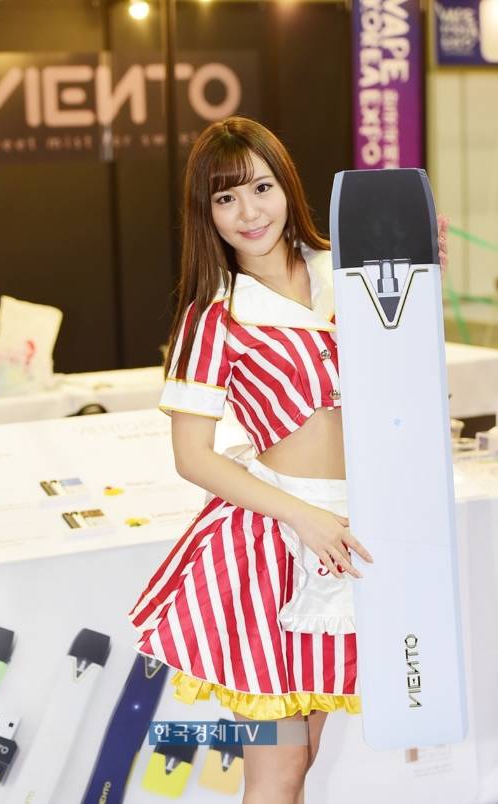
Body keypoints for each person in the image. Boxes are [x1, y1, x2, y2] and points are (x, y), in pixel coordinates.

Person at [127, 116, 449, 804]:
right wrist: (304, 517)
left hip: (354, 534)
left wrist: (421, 281)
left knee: (302, 760)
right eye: (225, 198)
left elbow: (405, 380)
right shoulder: (214, 316)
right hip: (272, 549)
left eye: (261, 188)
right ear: (206, 213)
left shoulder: (350, 274)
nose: (249, 213)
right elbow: (192, 457)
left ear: (288, 187)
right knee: (277, 769)